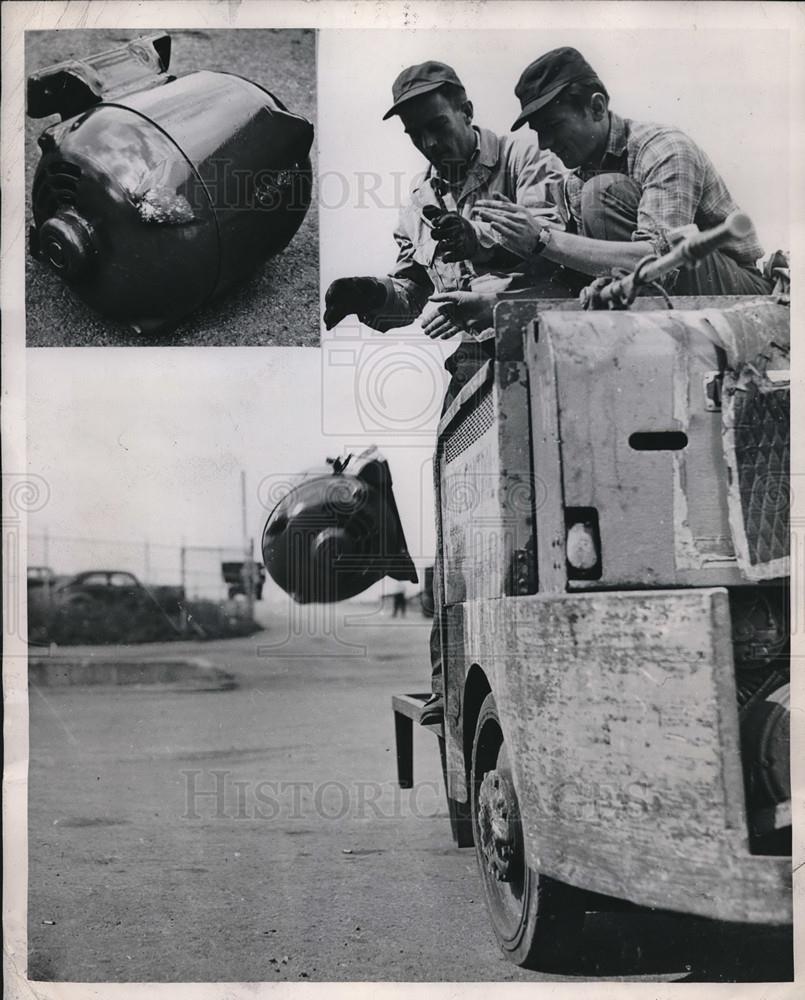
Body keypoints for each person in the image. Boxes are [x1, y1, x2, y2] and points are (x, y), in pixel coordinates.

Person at [324, 61, 567, 726]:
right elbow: (412, 294)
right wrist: (371, 296)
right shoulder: (419, 199)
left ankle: (541, 674)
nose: (430, 144)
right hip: (472, 365)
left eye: (436, 126)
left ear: (463, 105)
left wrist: (485, 242)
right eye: (415, 135)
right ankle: (452, 681)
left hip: (543, 340)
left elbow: (558, 247)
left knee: (545, 520)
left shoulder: (525, 154)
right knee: (461, 531)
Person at [429, 46, 772, 333]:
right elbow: (576, 280)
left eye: (553, 126)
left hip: (742, 299)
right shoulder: (574, 183)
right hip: (668, 303)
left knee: (602, 193)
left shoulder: (664, 148)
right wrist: (496, 305)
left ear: (595, 107)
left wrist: (543, 240)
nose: (545, 143)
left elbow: (662, 264)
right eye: (537, 132)